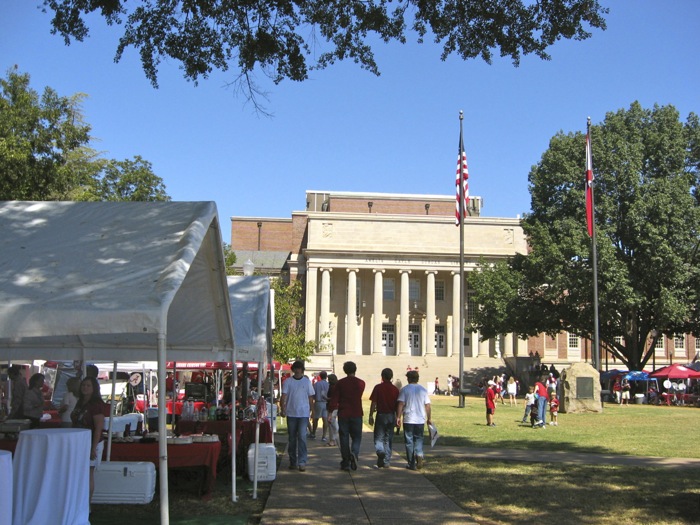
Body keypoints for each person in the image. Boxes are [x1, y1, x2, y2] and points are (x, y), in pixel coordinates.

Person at [72, 376, 107, 508]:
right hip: (79, 442)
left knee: (88, 473)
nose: (85, 388)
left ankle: (87, 505)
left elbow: (98, 428)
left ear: (94, 388)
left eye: (88, 385)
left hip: (92, 442)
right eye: (83, 385)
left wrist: (93, 448)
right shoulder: (80, 402)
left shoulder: (96, 405)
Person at [329, 361, 365, 471]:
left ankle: (345, 461)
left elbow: (335, 399)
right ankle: (354, 453)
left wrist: (330, 412)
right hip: (357, 412)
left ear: (345, 370)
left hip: (344, 413)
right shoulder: (361, 383)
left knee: (344, 437)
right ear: (355, 369)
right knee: (357, 436)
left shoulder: (340, 383)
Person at [280, 360, 315, 472]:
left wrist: (312, 411)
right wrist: (283, 408)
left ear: (302, 370)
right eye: (296, 368)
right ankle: (292, 461)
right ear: (293, 369)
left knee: (302, 437)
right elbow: (283, 396)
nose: (297, 370)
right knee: (292, 438)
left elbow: (310, 397)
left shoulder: (306, 382)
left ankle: (302, 461)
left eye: (299, 368)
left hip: (303, 413)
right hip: (291, 413)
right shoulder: (288, 382)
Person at [396, 369, 431, 470]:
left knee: (409, 441)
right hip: (420, 419)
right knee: (419, 439)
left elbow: (401, 404)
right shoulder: (423, 390)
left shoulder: (404, 389)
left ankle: (411, 463)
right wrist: (429, 418)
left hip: (408, 418)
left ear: (409, 378)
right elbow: (427, 405)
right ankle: (419, 454)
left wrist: (398, 417)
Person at [368, 368, 399, 468]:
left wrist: (370, 415)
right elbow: (398, 405)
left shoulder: (378, 387)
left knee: (378, 437)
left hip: (381, 415)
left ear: (382, 376)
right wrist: (398, 417)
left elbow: (374, 402)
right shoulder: (395, 389)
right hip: (391, 415)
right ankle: (386, 461)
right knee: (388, 438)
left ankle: (380, 451)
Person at [311, 370, 329, 441]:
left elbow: (313, 394)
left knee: (315, 419)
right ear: (326, 376)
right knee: (325, 419)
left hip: (318, 402)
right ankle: (324, 435)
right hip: (326, 402)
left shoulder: (316, 384)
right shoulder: (328, 384)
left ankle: (313, 433)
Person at [326, 374, 339, 447]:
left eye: (329, 379)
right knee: (331, 424)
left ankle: (333, 439)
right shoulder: (336, 386)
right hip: (334, 407)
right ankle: (332, 439)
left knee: (332, 423)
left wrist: (327, 398)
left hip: (332, 407)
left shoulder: (333, 387)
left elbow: (333, 398)